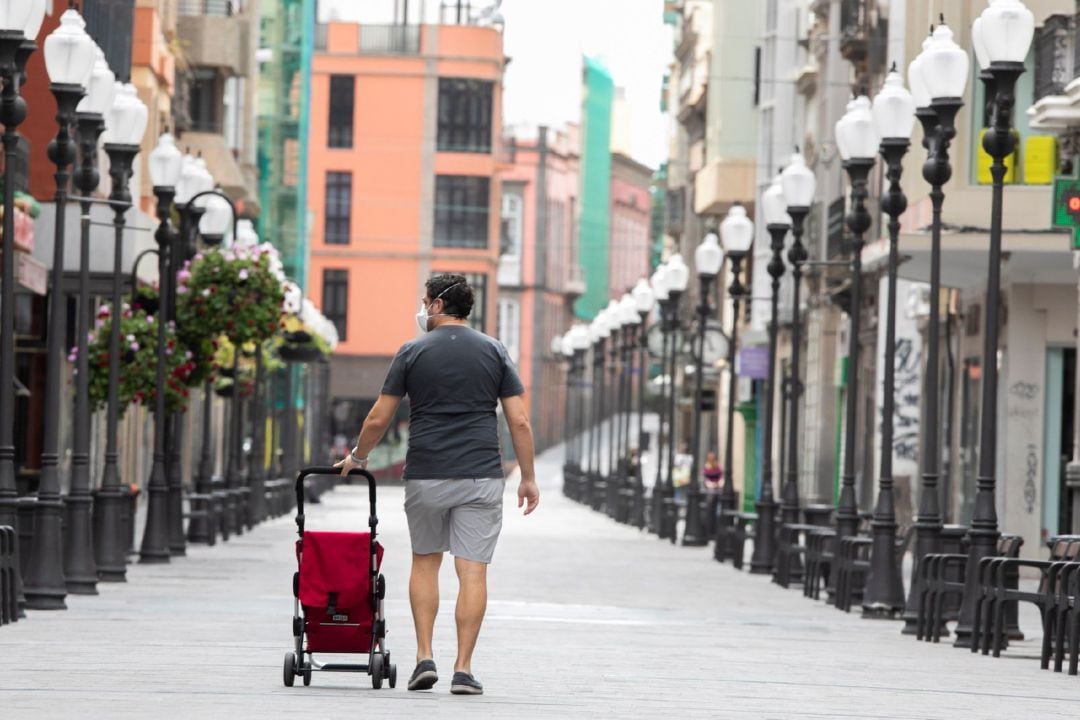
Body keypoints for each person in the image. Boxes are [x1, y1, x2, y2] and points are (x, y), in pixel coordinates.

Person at [335, 274, 539, 697]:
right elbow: (519, 420)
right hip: (481, 474)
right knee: (473, 572)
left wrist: (358, 457)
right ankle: (463, 669)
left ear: (437, 305)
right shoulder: (495, 351)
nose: (421, 307)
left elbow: (378, 417)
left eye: (424, 300)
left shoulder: (411, 351)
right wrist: (529, 478)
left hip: (426, 473)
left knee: (425, 562)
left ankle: (424, 657)